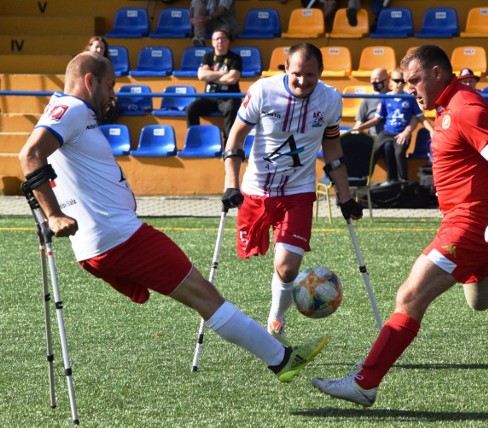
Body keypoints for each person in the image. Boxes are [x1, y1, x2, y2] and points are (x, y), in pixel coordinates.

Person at [18, 51, 328, 384]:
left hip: (107, 239)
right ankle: (281, 360)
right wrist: (53, 214)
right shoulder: (74, 109)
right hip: (119, 237)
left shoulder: (67, 113)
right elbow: (31, 155)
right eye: (109, 86)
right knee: (205, 296)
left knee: (201, 295)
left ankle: (279, 357)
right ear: (89, 81)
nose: (112, 95)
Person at [311, 44, 488, 407]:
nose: (409, 88)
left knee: (410, 296)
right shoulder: (447, 106)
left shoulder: (466, 107)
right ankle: (485, 264)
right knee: (479, 302)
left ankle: (365, 382)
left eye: (414, 80)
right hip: (475, 228)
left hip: (470, 225)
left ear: (438, 73)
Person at [220, 43, 364, 341]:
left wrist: (346, 196)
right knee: (255, 257)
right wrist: (231, 185)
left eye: (310, 75)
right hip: (257, 190)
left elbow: (333, 148)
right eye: (297, 73)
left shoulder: (330, 100)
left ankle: (275, 320)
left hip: (298, 192)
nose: (303, 81)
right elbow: (236, 136)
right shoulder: (262, 91)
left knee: (286, 268)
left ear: (321, 73)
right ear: (286, 69)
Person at [352, 67, 434, 183]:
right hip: (387, 132)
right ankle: (363, 177)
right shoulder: (386, 98)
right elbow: (377, 119)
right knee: (373, 151)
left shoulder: (409, 98)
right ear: (390, 81)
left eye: (402, 81)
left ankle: (403, 181)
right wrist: (360, 127)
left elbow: (420, 117)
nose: (399, 84)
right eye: (396, 80)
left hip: (401, 134)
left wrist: (431, 130)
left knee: (399, 152)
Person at [185, 27, 242, 146]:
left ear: (228, 41)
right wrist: (223, 73)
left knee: (231, 109)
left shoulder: (235, 58)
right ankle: (195, 141)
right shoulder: (208, 57)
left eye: (222, 39)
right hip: (210, 97)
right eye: (216, 39)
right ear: (212, 42)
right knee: (191, 108)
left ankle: (229, 145)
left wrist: (211, 76)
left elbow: (232, 79)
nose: (219, 41)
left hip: (229, 97)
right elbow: (201, 75)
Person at [354, 67, 389, 138]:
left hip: (391, 136)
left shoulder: (394, 97)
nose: (374, 82)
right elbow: (359, 122)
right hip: (373, 137)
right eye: (372, 79)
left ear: (387, 80)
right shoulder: (367, 99)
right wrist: (357, 130)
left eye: (377, 79)